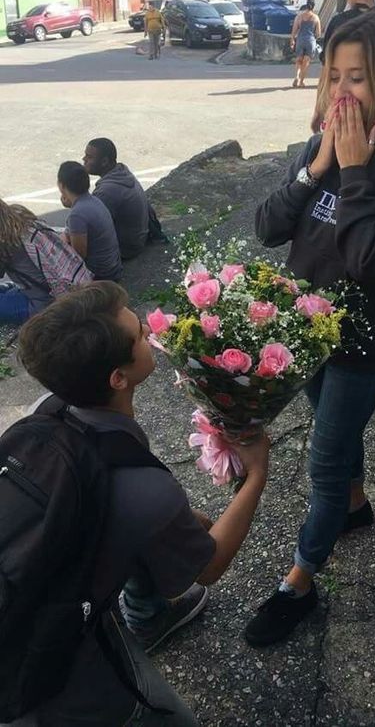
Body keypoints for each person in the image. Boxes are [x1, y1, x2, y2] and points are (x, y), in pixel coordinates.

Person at [247, 10, 375, 647]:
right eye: (333, 76)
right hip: (307, 337)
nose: (340, 93)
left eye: (356, 79)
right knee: (338, 434)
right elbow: (268, 228)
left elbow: (370, 261)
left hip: (361, 346)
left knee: (324, 463)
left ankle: (299, 581)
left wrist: (356, 170)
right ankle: (355, 509)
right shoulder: (321, 147)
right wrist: (317, 167)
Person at [12, 281, 270, 725]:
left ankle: (149, 618)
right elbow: (206, 567)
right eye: (138, 335)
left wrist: (179, 519)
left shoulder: (49, 407)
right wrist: (257, 475)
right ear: (118, 378)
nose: (149, 335)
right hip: (46, 664)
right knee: (160, 715)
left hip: (28, 573)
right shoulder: (147, 493)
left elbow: (127, 513)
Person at [0, 199, 92, 325]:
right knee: (7, 290)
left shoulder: (4, 241)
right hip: (60, 289)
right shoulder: (20, 216)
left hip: (43, 304)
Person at [83, 137, 167, 260]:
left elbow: (90, 227)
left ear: (104, 161)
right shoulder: (121, 171)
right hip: (139, 238)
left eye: (89, 157)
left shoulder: (107, 191)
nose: (84, 159)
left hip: (126, 249)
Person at [57, 160, 122, 282]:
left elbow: (78, 256)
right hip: (113, 267)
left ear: (62, 185)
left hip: (101, 275)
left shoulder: (77, 214)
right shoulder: (93, 200)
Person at [290, 0, 321, 88]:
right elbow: (318, 33)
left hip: (300, 40)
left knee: (299, 60)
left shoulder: (299, 17)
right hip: (310, 41)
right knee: (306, 62)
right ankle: (301, 82)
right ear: (313, 6)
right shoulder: (316, 18)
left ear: (306, 5)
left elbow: (294, 30)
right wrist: (314, 37)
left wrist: (292, 39)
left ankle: (296, 76)